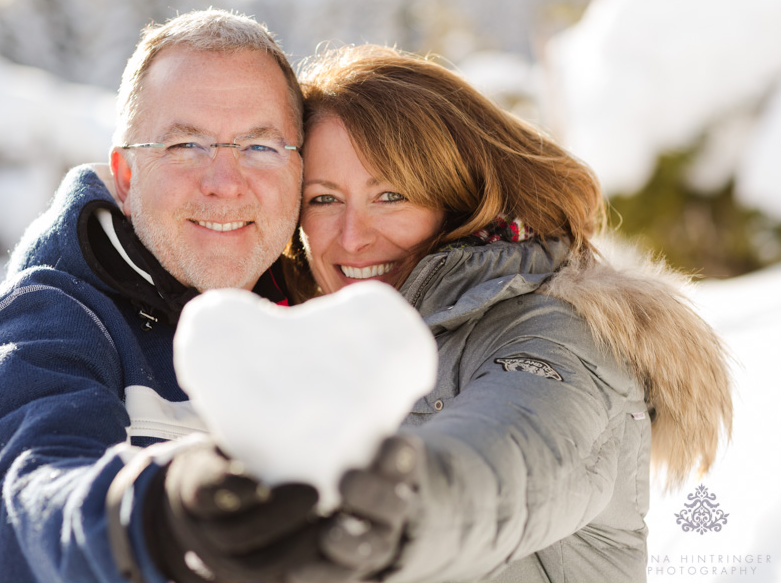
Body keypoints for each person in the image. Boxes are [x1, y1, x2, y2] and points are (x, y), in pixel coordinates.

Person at [145, 45, 735, 582]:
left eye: (391, 195)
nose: (353, 238)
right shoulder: (327, 348)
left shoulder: (558, 332)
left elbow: (512, 462)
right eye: (324, 199)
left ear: (458, 195)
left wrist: (386, 511)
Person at [0, 9, 306, 582]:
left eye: (260, 147)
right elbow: (24, 504)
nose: (225, 182)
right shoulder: (49, 321)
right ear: (127, 178)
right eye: (186, 145)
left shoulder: (321, 311)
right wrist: (158, 518)